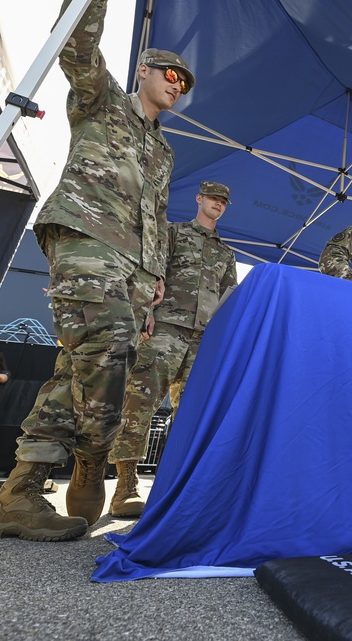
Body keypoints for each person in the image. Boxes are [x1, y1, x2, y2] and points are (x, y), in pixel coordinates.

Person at [0, 0, 195, 542]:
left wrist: (153, 283)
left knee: (82, 364)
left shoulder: (163, 152)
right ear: (145, 70)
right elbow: (76, 35)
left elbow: (154, 218)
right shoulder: (101, 99)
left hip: (133, 269)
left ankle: (17, 494)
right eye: (169, 73)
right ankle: (89, 460)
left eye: (184, 83)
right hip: (84, 236)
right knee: (105, 352)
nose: (176, 85)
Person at [108, 181, 237, 518]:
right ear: (199, 199)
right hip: (165, 329)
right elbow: (150, 274)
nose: (218, 204)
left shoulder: (226, 252)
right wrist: (146, 313)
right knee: (140, 404)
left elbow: (229, 297)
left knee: (191, 415)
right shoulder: (174, 233)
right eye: (212, 198)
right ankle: (126, 485)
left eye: (223, 201)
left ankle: (172, 487)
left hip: (204, 340)